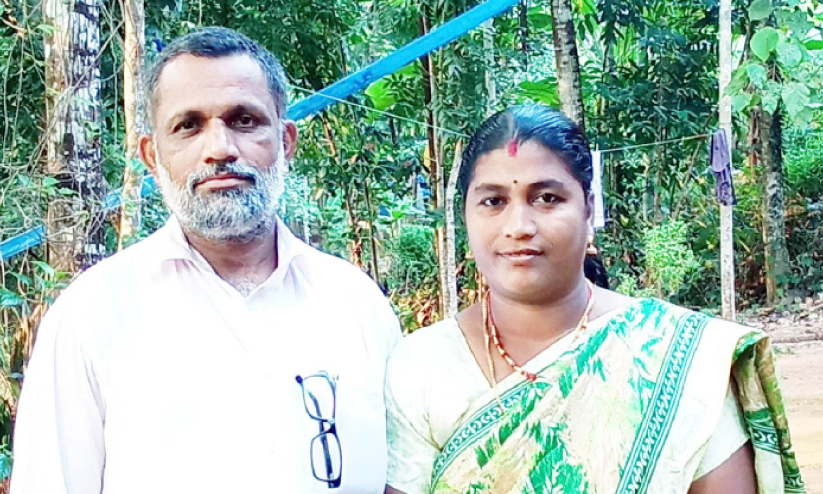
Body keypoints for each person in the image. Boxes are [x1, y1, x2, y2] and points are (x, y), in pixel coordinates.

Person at [11, 27, 400, 493]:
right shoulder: (93, 316)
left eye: (244, 120)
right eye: (188, 126)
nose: (219, 148)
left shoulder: (357, 305)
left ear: (286, 142)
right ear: (152, 157)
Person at [384, 105, 805, 494]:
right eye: (493, 201)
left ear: (588, 209)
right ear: (466, 216)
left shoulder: (679, 357)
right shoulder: (421, 366)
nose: (519, 225)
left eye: (547, 198)